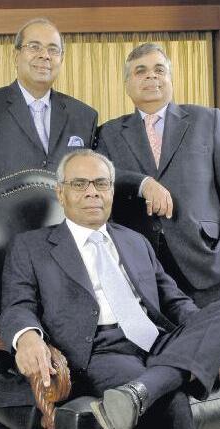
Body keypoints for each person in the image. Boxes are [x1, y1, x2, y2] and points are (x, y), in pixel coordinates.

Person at [0, 149, 220, 429]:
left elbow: (175, 302)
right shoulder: (31, 246)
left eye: (101, 183)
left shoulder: (136, 241)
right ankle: (151, 387)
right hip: (99, 351)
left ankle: (140, 391)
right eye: (79, 184)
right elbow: (17, 305)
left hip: (157, 341)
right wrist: (27, 337)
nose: (92, 192)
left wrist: (206, 335)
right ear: (60, 193)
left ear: (112, 192)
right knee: (170, 401)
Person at [96, 43, 220, 308]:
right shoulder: (108, 133)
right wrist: (142, 183)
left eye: (159, 70)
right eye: (140, 71)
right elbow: (101, 177)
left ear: (170, 79)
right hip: (141, 268)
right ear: (127, 85)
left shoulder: (209, 120)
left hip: (206, 261)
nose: (151, 75)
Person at [0, 17, 98, 181]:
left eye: (53, 50)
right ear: (16, 56)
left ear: (61, 59)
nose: (45, 55)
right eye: (34, 47)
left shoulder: (84, 116)